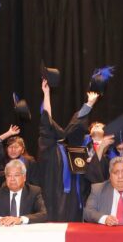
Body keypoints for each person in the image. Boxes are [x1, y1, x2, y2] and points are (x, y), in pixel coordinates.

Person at [38, 79, 104, 222]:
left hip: (75, 198)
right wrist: (46, 94)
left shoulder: (79, 148)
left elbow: (76, 126)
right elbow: (46, 122)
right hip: (53, 197)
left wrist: (89, 105)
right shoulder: (50, 150)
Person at [0, 159, 47, 225]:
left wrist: (20, 219)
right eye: (9, 176)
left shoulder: (34, 192)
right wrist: (0, 219)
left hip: (25, 232)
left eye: (16, 175)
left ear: (24, 177)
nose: (12, 179)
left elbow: (43, 214)